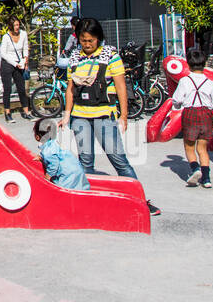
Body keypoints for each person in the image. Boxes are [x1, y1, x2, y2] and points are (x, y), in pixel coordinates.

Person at [61, 18, 161, 216]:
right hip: (80, 115)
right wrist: (66, 114)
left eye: (91, 40)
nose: (87, 45)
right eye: (83, 41)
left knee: (119, 159)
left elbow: (121, 86)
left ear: (98, 38)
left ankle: (141, 200)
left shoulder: (110, 56)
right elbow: (70, 89)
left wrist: (123, 115)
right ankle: (89, 203)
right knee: (85, 161)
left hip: (104, 114)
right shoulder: (74, 57)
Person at [169, 48, 213, 188]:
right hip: (206, 114)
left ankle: (195, 169)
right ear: (204, 64)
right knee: (203, 148)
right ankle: (206, 178)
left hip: (190, 114)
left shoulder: (185, 81)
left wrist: (178, 105)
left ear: (188, 64)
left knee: (189, 146)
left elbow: (177, 100)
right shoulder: (210, 82)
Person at [33, 118, 89, 190]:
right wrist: (41, 158)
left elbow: (54, 164)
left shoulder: (47, 151)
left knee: (66, 190)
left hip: (67, 175)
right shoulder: (54, 142)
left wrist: (48, 175)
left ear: (37, 137)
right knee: (80, 187)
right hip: (75, 168)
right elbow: (54, 155)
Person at [0, 16, 31, 122]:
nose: (17, 27)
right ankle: (7, 113)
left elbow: (25, 48)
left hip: (19, 63)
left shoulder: (23, 34)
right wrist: (14, 64)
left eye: (18, 25)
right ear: (11, 26)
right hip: (7, 63)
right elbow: (3, 54)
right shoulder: (6, 37)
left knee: (21, 88)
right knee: (7, 88)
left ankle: (26, 111)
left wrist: (25, 60)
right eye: (15, 25)